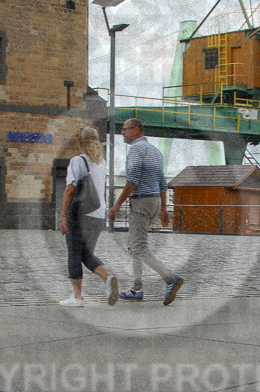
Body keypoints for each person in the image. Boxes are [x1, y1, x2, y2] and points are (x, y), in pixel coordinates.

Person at [107, 118, 184, 305]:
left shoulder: (136, 150)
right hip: (154, 201)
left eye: (125, 130)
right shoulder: (155, 151)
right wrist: (164, 208)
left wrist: (116, 205)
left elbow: (132, 180)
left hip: (141, 201)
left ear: (136, 130)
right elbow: (162, 183)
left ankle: (169, 278)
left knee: (139, 247)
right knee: (135, 245)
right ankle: (136, 289)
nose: (122, 133)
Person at [59, 126, 119, 307]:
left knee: (74, 253)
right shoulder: (101, 163)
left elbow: (70, 189)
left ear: (80, 143)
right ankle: (108, 279)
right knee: (86, 253)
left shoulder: (78, 161)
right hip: (98, 215)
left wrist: (63, 216)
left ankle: (77, 298)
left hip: (79, 215)